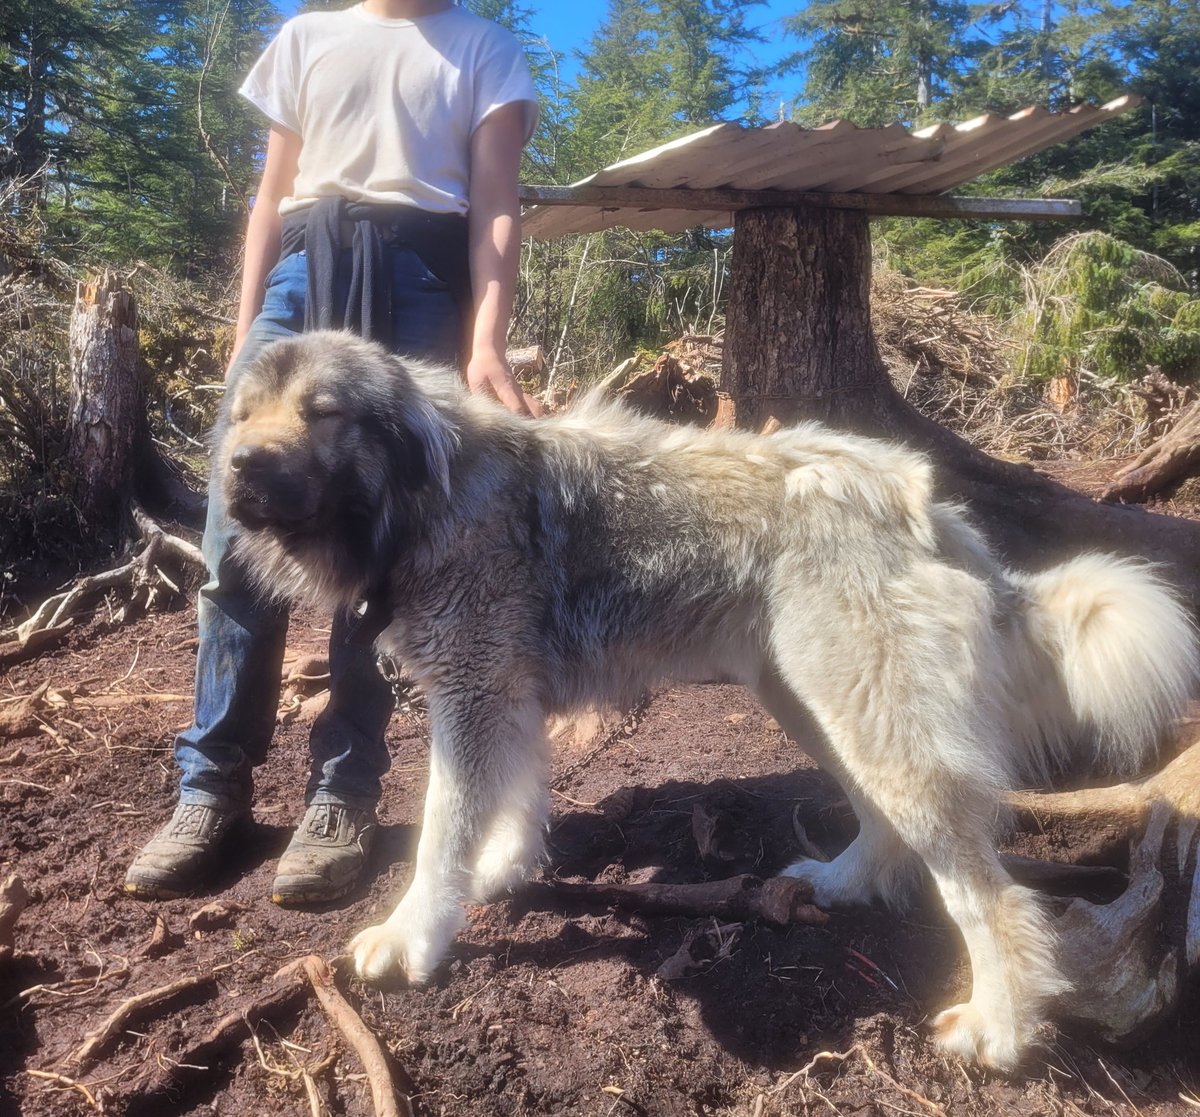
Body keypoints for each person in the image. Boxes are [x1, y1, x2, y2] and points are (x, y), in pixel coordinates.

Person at [125, 0, 539, 904]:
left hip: (423, 277)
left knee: (390, 549)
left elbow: (497, 209)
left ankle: (343, 794)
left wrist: (485, 344)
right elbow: (271, 195)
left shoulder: (486, 51)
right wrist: (245, 343)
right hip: (302, 269)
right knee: (237, 541)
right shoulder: (306, 38)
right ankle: (210, 790)